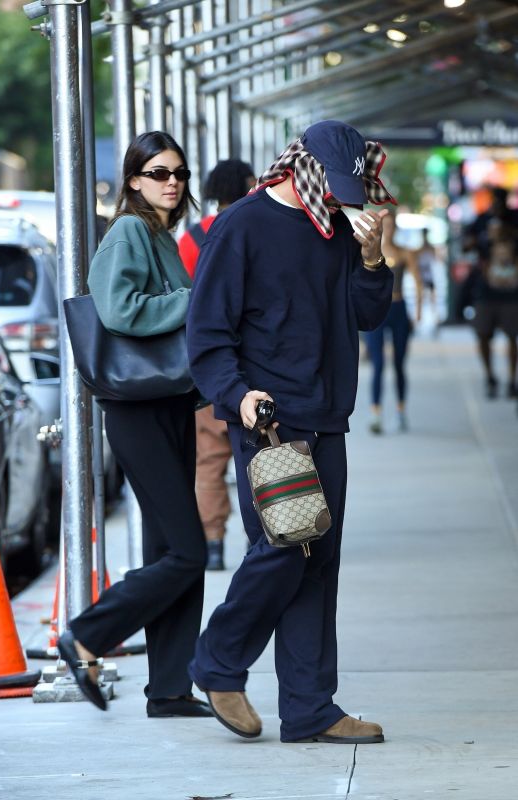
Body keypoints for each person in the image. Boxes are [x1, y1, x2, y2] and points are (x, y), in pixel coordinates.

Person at [186, 120, 395, 744]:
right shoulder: (242, 226)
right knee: (286, 547)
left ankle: (309, 709)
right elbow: (208, 333)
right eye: (330, 186)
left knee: (317, 558)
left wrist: (372, 258)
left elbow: (367, 315)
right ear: (299, 165)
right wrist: (237, 394)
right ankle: (219, 662)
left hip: (329, 415)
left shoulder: (340, 228)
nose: (337, 198)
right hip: (269, 419)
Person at [58, 131, 212, 719]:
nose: (172, 182)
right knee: (188, 552)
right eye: (158, 173)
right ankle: (88, 634)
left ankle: (169, 689)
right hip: (137, 410)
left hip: (166, 403)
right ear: (133, 181)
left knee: (169, 548)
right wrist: (194, 300)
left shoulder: (160, 235)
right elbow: (119, 309)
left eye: (178, 173)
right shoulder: (128, 231)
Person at [178, 160, 256, 570]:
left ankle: (211, 543)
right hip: (256, 367)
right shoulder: (258, 227)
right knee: (258, 454)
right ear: (246, 184)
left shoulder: (192, 238)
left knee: (209, 460)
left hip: (209, 368)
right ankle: (257, 537)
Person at [365, 213, 423, 434]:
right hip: (377, 312)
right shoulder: (371, 251)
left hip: (398, 308)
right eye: (385, 226)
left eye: (391, 226)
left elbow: (418, 281)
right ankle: (375, 414)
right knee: (378, 364)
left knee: (399, 364)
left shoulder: (404, 252)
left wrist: (418, 310)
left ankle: (400, 411)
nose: (388, 230)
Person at [463, 188, 518, 398]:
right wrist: (479, 240)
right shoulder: (481, 220)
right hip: (486, 287)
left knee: (513, 335)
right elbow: (467, 244)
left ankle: (512, 381)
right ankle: (490, 376)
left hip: (512, 287)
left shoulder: (514, 219)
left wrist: (508, 233)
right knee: (483, 333)